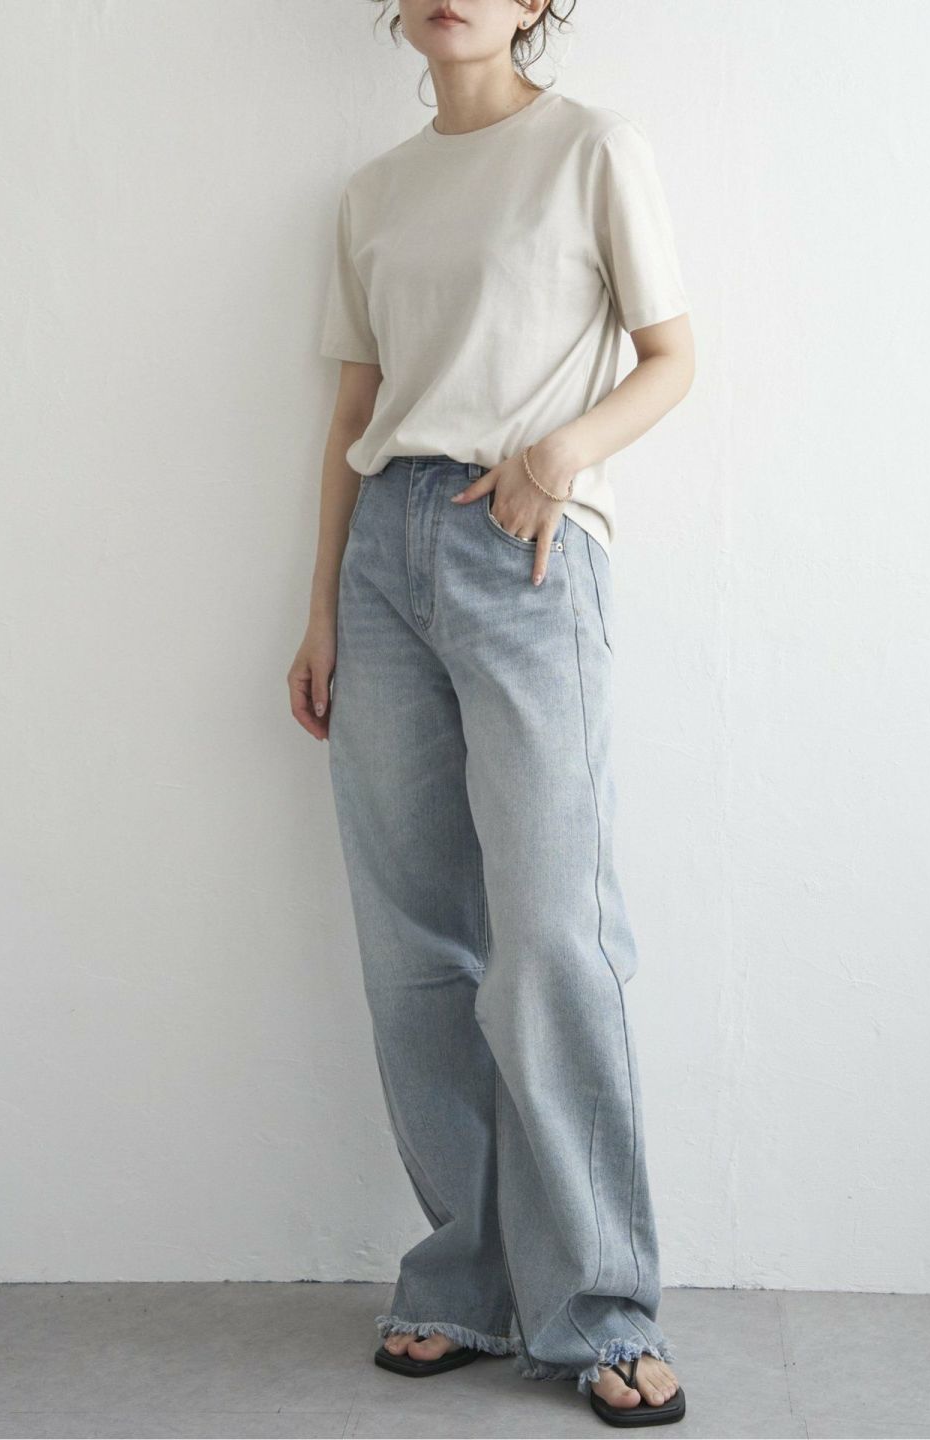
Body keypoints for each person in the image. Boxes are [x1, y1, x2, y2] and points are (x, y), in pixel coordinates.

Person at [288, 0, 694, 1426]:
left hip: (526, 552)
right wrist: (324, 605)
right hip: (385, 560)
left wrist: (557, 458)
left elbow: (672, 356)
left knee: (555, 941)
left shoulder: (593, 149)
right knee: (417, 947)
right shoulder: (374, 193)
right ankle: (462, 1279)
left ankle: (602, 1311)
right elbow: (352, 409)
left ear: (537, 6)